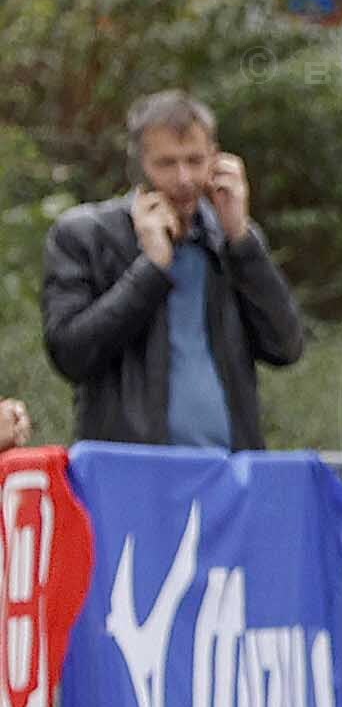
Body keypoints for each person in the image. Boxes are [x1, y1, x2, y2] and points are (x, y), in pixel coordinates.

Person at [39, 90, 307, 449]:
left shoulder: (230, 240)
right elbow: (70, 355)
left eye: (195, 161)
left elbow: (286, 347)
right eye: (166, 163)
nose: (184, 178)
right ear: (139, 166)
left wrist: (241, 241)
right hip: (129, 468)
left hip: (227, 469)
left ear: (216, 158)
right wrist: (151, 268)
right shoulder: (86, 235)